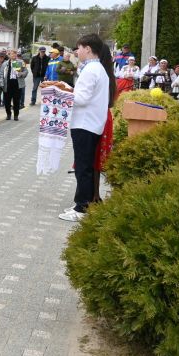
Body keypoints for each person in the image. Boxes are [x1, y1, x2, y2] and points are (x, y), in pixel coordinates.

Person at [59, 34, 114, 222]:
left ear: (88, 49)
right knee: (86, 166)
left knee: (83, 167)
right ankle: (84, 203)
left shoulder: (91, 70)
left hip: (85, 124)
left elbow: (81, 99)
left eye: (79, 48)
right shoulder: (98, 69)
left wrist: (62, 92)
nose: (77, 52)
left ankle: (81, 207)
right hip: (92, 123)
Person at [0, 50, 26, 121]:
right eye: (12, 54)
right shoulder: (5, 63)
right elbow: (1, 74)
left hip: (17, 83)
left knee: (16, 101)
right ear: (9, 55)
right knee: (7, 101)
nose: (14, 55)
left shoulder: (21, 62)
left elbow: (25, 71)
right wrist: (1, 83)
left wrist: (21, 74)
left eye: (15, 54)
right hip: (7, 83)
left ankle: (16, 115)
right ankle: (8, 114)